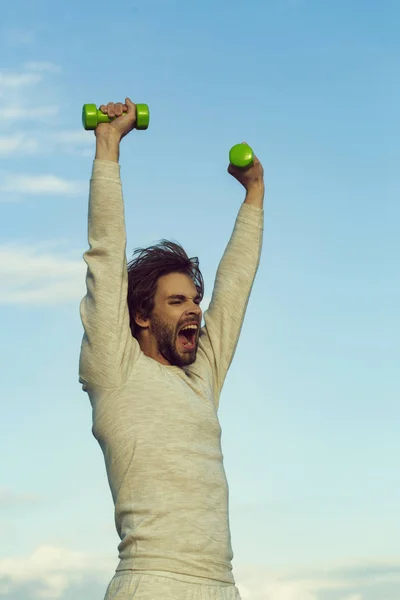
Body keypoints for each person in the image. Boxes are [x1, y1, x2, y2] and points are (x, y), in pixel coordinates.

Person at [78, 97, 264, 600]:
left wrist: (254, 196)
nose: (195, 311)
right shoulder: (114, 370)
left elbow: (235, 290)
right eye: (177, 300)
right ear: (140, 315)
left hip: (222, 586)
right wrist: (108, 145)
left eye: (195, 300)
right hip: (152, 581)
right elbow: (105, 255)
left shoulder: (200, 376)